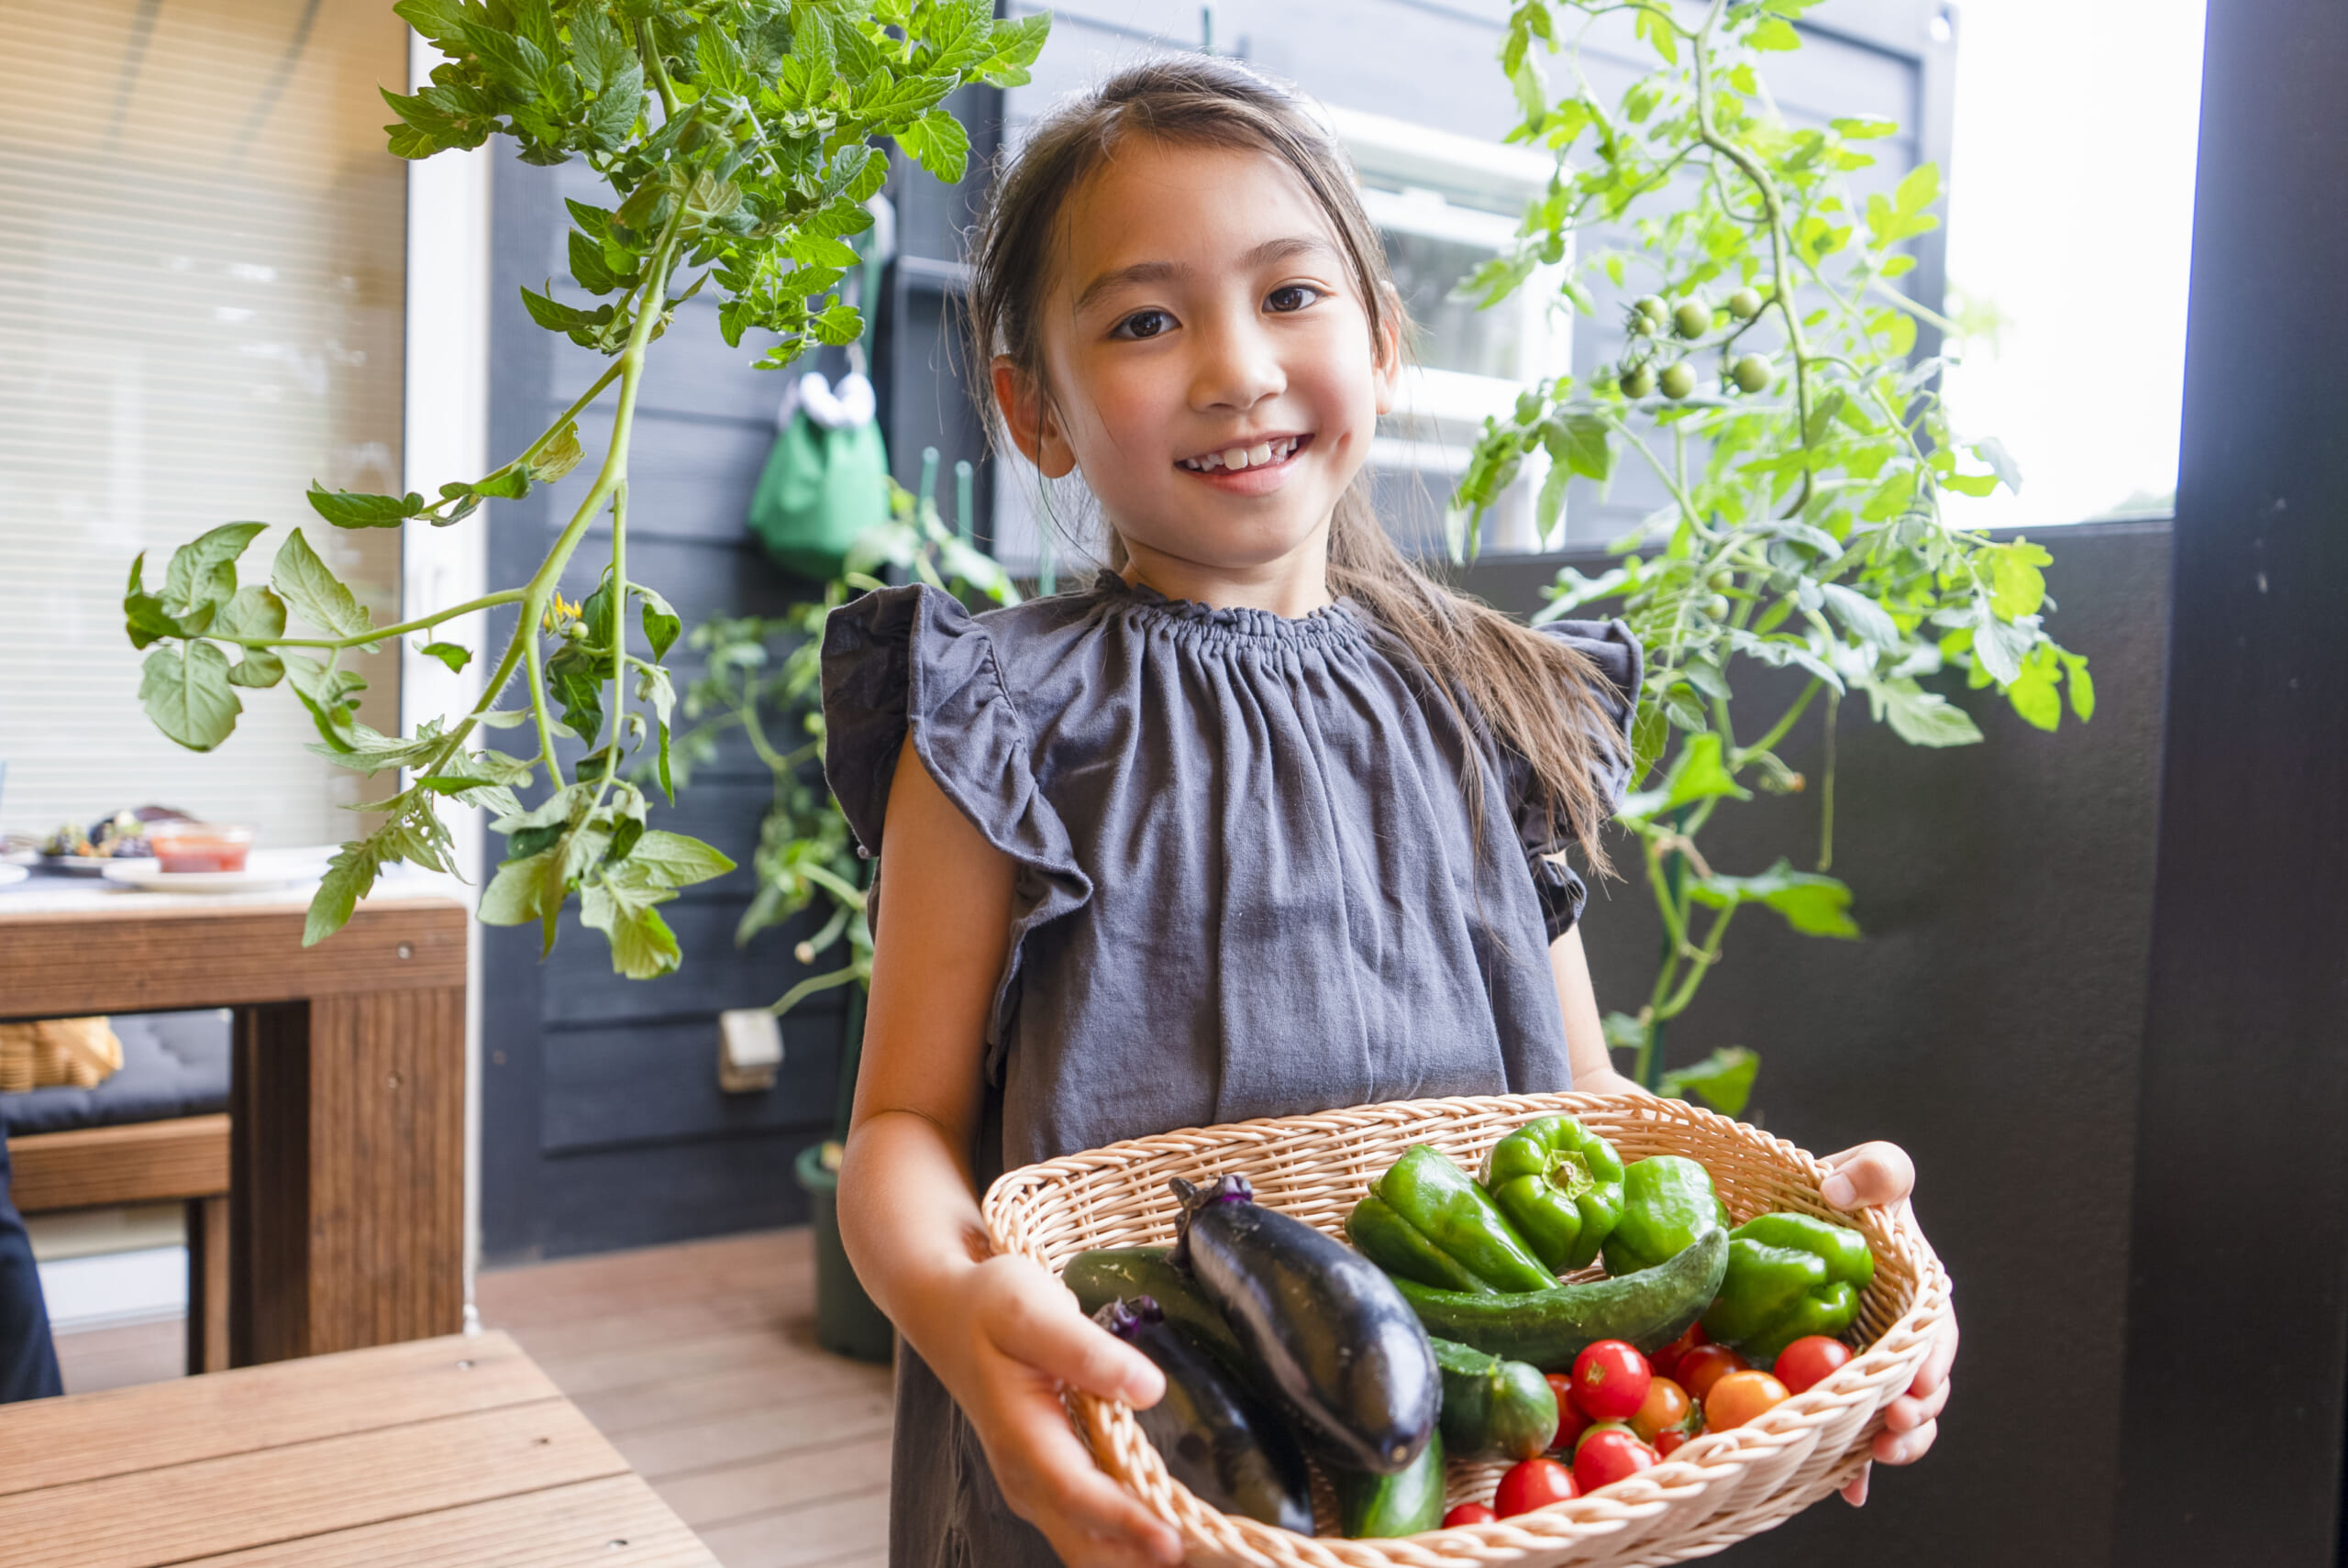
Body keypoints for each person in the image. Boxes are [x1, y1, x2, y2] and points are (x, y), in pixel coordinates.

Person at [824, 56, 1956, 1568]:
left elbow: (1582, 1107)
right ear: (1036, 411)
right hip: (1142, 1448)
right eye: (1147, 320)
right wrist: (961, 1314)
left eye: (1292, 295)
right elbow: (898, 1130)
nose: (1236, 366)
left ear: (1385, 337)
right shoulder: (998, 713)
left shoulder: (1487, 700)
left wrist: (1778, 1243)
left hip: (1469, 1497)